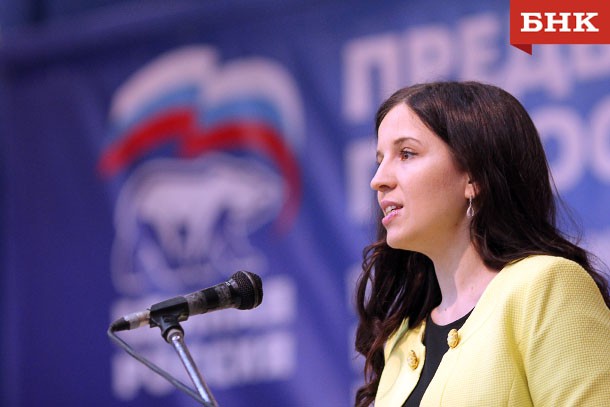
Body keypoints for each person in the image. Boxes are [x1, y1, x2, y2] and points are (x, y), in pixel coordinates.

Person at [353, 81, 610, 407]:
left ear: (473, 176)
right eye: (380, 159)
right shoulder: (401, 339)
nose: (378, 179)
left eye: (406, 154)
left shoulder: (545, 286)